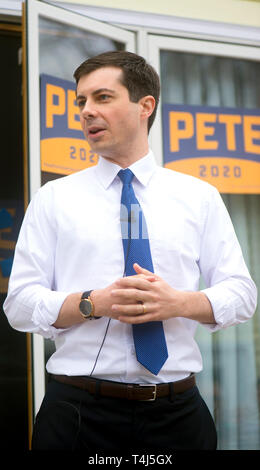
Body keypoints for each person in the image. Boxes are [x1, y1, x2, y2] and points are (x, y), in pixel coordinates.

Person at [3, 51, 257, 452]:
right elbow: (18, 304)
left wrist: (179, 303)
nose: (86, 111)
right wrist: (93, 302)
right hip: (78, 415)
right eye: (81, 102)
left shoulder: (199, 198)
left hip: (178, 417)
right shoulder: (53, 199)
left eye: (102, 97)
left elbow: (242, 295)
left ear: (145, 106)